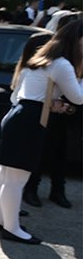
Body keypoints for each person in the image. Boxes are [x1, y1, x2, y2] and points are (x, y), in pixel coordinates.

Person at [0, 18, 83, 244]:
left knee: (5, 175)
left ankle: (1, 220)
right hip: (30, 120)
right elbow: (78, 98)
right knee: (16, 179)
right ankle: (11, 228)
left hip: (20, 115)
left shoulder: (46, 60)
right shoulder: (62, 64)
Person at [22, 13, 83, 208]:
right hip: (46, 109)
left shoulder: (65, 57)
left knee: (61, 152)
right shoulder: (56, 56)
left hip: (67, 109)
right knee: (39, 151)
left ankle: (58, 190)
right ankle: (30, 189)